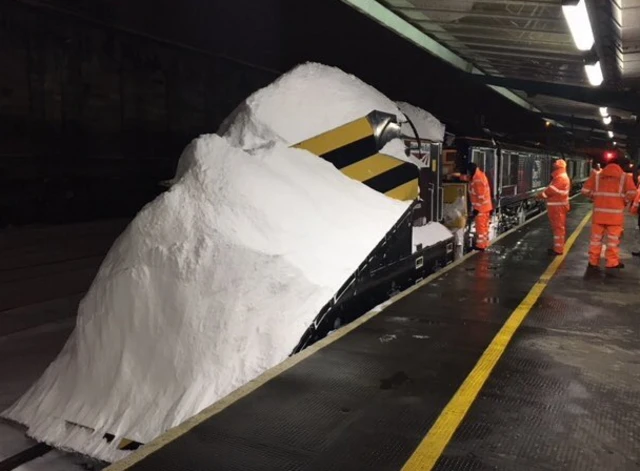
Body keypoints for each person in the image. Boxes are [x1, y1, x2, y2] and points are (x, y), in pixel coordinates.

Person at [581, 156, 637, 270]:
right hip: (615, 216)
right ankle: (612, 263)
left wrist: (595, 197)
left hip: (598, 215)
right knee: (613, 241)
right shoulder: (624, 177)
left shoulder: (597, 176)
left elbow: (585, 191)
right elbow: (633, 193)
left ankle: (593, 262)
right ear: (620, 165)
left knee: (595, 240)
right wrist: (624, 200)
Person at [538, 159, 570, 255]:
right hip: (557, 206)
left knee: (558, 228)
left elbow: (551, 190)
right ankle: (557, 248)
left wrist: (540, 195)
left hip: (557, 207)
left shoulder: (560, 178)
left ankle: (558, 250)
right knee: (557, 228)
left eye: (555, 166)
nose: (553, 167)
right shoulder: (560, 177)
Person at [467, 162, 493, 250]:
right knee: (485, 227)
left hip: (481, 209)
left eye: (468, 172)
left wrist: (476, 210)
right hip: (486, 207)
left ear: (471, 170)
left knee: (480, 227)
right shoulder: (478, 176)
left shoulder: (478, 179)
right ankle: (485, 243)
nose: (468, 173)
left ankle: (481, 246)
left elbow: (480, 197)